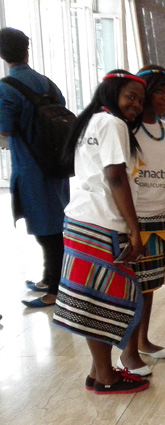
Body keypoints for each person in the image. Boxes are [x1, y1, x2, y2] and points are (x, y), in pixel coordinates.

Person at [52, 70, 150, 394]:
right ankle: (107, 377)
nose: (136, 105)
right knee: (103, 300)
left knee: (94, 297)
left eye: (140, 100)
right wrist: (135, 231)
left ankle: (98, 371)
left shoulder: (91, 121)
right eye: (130, 97)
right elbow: (116, 177)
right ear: (111, 93)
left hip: (81, 220)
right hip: (102, 222)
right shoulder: (111, 123)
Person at [114, 66, 165, 377]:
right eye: (160, 91)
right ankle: (127, 352)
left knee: (151, 283)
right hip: (133, 220)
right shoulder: (126, 129)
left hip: (159, 217)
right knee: (133, 286)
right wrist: (131, 227)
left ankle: (143, 340)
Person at [0, 27, 69, 308]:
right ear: (27, 51)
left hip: (31, 168)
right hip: (57, 164)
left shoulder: (6, 87)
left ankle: (56, 290)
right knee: (53, 224)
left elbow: (4, 129)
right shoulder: (47, 83)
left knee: (46, 231)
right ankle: (48, 277)